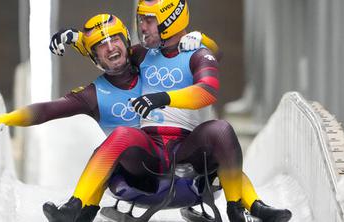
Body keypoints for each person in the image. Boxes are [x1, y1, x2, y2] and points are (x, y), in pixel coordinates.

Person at [44, 1, 291, 222]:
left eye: (148, 20)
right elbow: (110, 49)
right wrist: (76, 38)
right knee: (121, 134)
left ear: (169, 20)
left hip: (188, 148)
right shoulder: (142, 55)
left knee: (221, 131)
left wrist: (165, 94)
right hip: (150, 148)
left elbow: (206, 90)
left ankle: (242, 209)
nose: (142, 26)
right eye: (141, 19)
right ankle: (75, 207)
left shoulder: (198, 54)